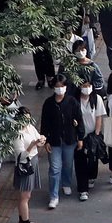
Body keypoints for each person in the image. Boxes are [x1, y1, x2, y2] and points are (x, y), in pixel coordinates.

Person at [39, 73, 83, 209]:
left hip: (70, 139)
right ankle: (54, 195)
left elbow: (79, 119)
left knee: (68, 164)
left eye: (62, 86)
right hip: (54, 141)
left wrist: (80, 137)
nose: (60, 89)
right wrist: (45, 140)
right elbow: (44, 123)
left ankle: (66, 183)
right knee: (54, 168)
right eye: (57, 87)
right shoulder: (48, 103)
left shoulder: (72, 101)